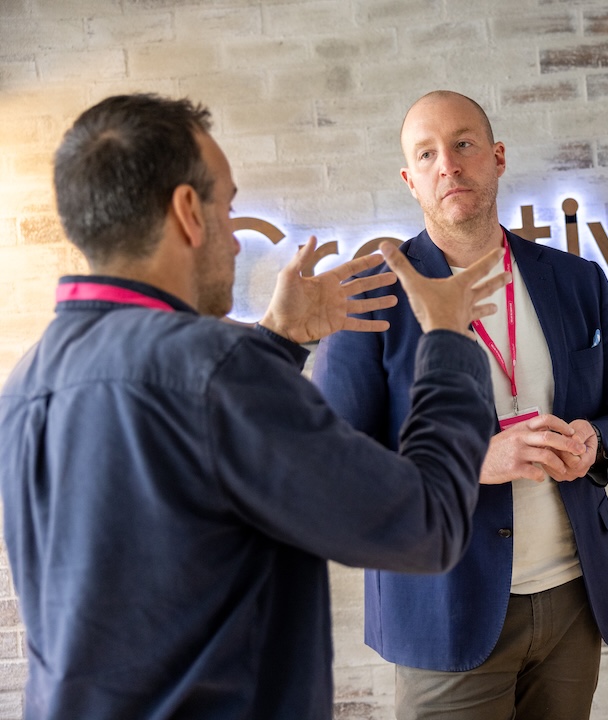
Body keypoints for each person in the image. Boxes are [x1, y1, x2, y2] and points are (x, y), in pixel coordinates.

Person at [0, 93, 512, 720]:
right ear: (188, 211)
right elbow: (427, 527)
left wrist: (275, 342)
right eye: (228, 208)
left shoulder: (26, 382)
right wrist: (448, 340)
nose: (237, 242)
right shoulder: (217, 372)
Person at [312, 90, 608, 719]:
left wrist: (597, 443)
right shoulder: (367, 296)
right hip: (444, 610)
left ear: (497, 157)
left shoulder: (576, 280)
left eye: (464, 144)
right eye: (427, 154)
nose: (448, 165)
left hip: (573, 599)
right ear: (410, 180)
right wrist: (473, 460)